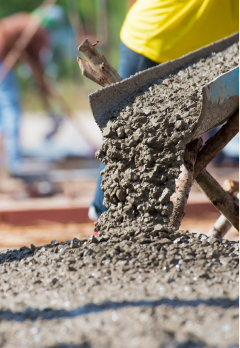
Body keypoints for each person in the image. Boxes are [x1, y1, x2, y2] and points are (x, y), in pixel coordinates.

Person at [89, 0, 240, 220]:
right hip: (154, 40)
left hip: (210, 54)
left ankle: (136, 219)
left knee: (160, 143)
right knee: (128, 136)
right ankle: (105, 216)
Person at [0, 6, 64, 176]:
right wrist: (46, 90)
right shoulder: (37, 29)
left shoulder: (25, 22)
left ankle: (4, 155)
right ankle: (13, 160)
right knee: (9, 108)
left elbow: (33, 64)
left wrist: (42, 87)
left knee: (0, 112)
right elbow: (37, 65)